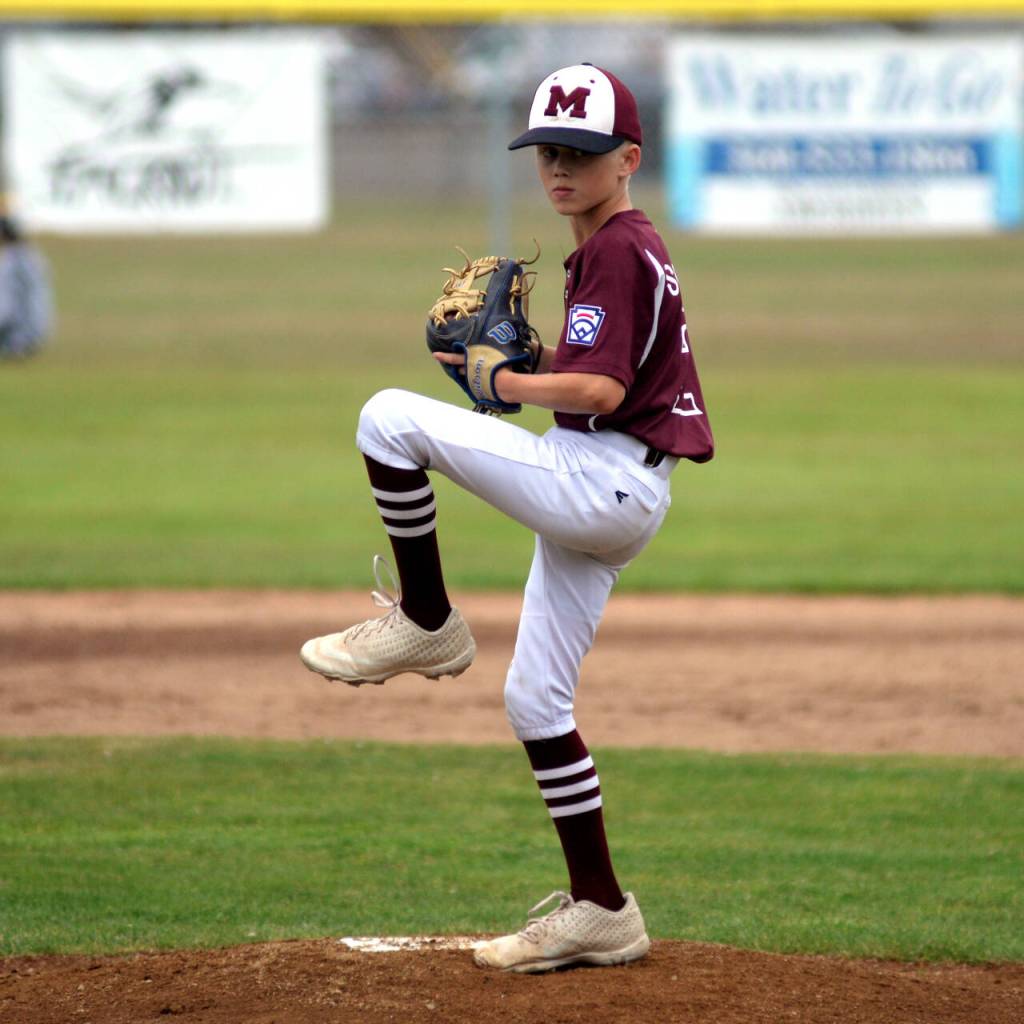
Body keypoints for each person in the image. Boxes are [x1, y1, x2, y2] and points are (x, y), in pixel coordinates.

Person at [301, 63, 714, 973]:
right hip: (618, 489)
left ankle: (426, 621)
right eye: (548, 152)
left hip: (599, 478)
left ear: (630, 158)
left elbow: (601, 388)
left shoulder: (615, 246)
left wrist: (505, 381)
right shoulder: (620, 244)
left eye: (583, 152)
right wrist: (532, 368)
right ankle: (604, 907)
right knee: (536, 701)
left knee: (386, 417)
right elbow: (607, 376)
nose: (561, 167)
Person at [0, 214, 54, 360]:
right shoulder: (33, 256)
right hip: (40, 328)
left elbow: (6, 307)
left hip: (20, 332)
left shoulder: (11, 261)